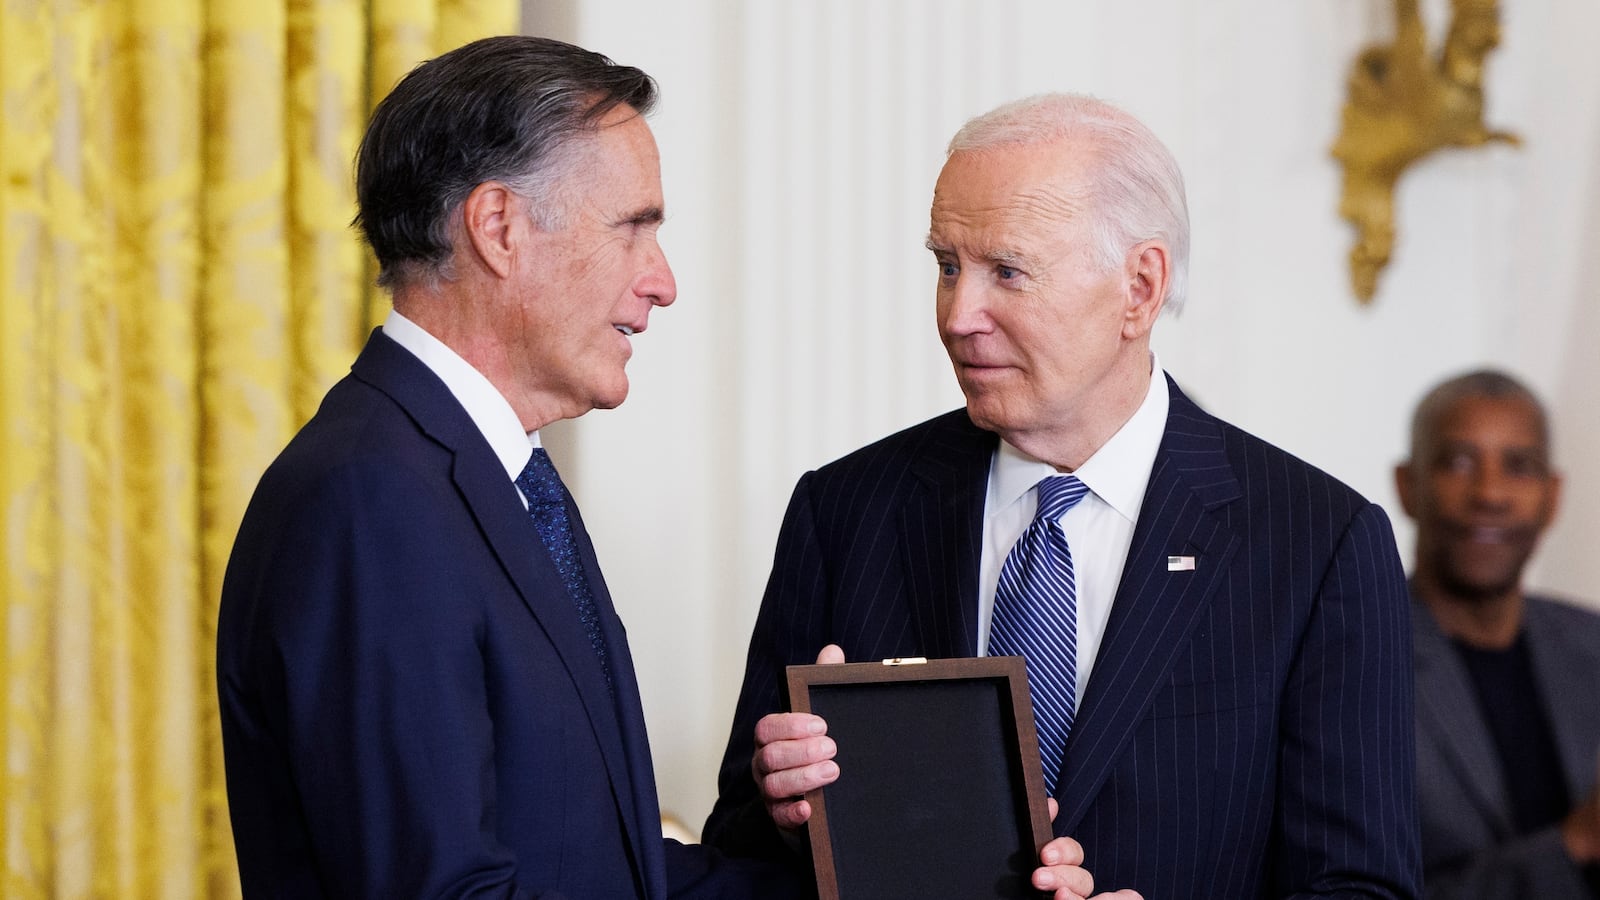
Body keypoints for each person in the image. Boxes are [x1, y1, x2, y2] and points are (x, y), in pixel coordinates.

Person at [216, 35, 1094, 899]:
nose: (663, 281)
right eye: (634, 227)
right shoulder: (374, 501)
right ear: (499, 229)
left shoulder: (492, 478)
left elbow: (611, 868)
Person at [703, 93, 1422, 899]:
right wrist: (782, 806)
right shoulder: (845, 511)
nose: (958, 314)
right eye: (947, 266)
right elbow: (735, 846)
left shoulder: (1316, 542)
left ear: (1139, 288)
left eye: (1007, 271)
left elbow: (1365, 887)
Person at [1395, 370, 1600, 898]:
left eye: (1519, 466)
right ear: (1406, 486)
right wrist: (1574, 844)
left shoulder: (1591, 644)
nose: (1490, 493)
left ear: (1552, 498)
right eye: (1459, 462)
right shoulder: (1354, 657)